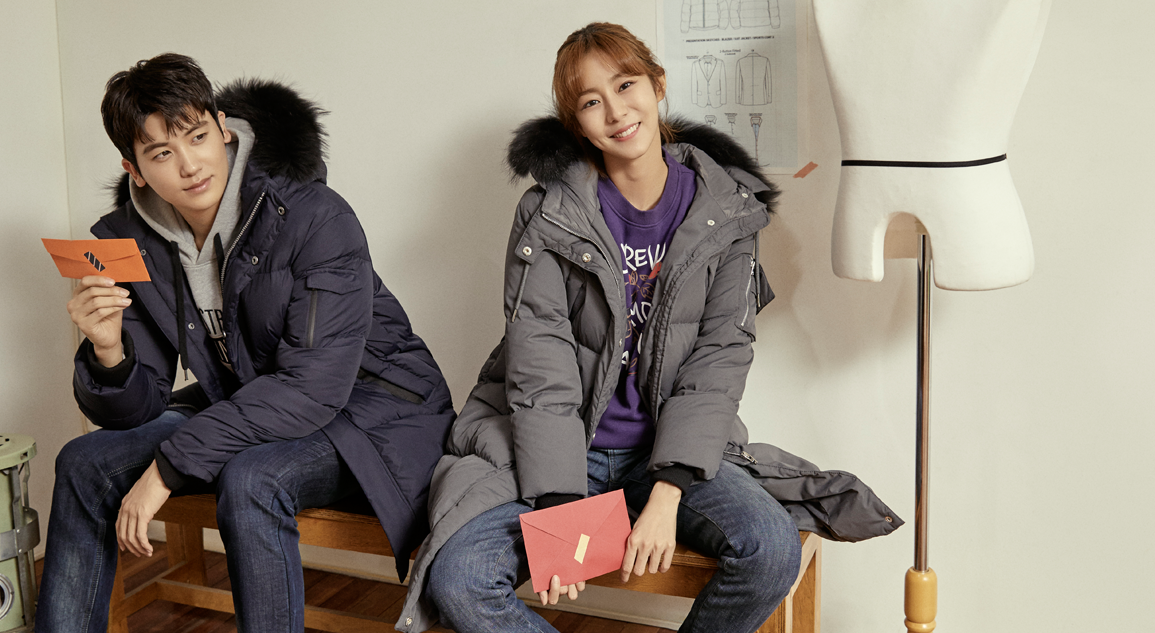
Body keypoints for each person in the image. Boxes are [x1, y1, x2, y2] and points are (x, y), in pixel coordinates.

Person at [396, 23, 900, 633]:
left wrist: (668, 491)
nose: (615, 112)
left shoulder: (728, 212)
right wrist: (561, 505)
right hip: (563, 452)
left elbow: (719, 358)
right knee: (461, 578)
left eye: (625, 85)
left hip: (667, 451)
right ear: (576, 124)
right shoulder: (548, 213)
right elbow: (540, 362)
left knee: (770, 550)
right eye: (591, 101)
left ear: (657, 85)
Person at [38, 53, 455, 633]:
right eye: (162, 153)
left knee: (252, 478)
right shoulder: (133, 242)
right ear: (135, 169)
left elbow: (313, 387)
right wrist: (110, 352)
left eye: (197, 137)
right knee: (82, 462)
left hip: (374, 409)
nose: (190, 165)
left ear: (223, 127)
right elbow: (141, 405)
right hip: (251, 396)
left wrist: (165, 471)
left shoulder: (315, 216)